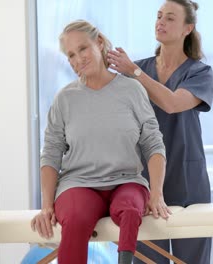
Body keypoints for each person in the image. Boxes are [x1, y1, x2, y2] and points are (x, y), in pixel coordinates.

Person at [30, 19, 171, 264]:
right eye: (71, 55)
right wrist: (46, 206)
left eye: (82, 49)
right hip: (78, 185)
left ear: (99, 43)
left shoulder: (132, 90)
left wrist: (156, 194)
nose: (77, 60)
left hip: (126, 181)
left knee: (130, 209)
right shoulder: (65, 99)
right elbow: (51, 154)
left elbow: (153, 144)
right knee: (74, 218)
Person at [107, 0, 213, 263]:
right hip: (144, 180)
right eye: (158, 16)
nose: (160, 22)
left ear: (187, 28)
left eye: (169, 18)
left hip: (188, 181)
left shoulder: (200, 72)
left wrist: (134, 72)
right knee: (148, 258)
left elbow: (171, 103)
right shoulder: (137, 69)